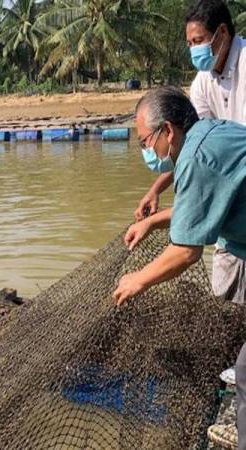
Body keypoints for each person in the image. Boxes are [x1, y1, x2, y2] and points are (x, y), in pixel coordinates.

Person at [113, 86, 246, 449]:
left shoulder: (196, 157)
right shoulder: (208, 134)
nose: (146, 151)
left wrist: (137, 280)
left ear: (168, 131)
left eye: (145, 141)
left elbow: (186, 252)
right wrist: (153, 223)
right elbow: (203, 207)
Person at [135, 0, 246, 302]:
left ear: (222, 33)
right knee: (226, 303)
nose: (193, 50)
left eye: (198, 41)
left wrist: (137, 281)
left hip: (235, 187)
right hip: (232, 212)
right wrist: (156, 193)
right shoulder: (202, 84)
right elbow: (189, 145)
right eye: (189, 43)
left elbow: (185, 251)